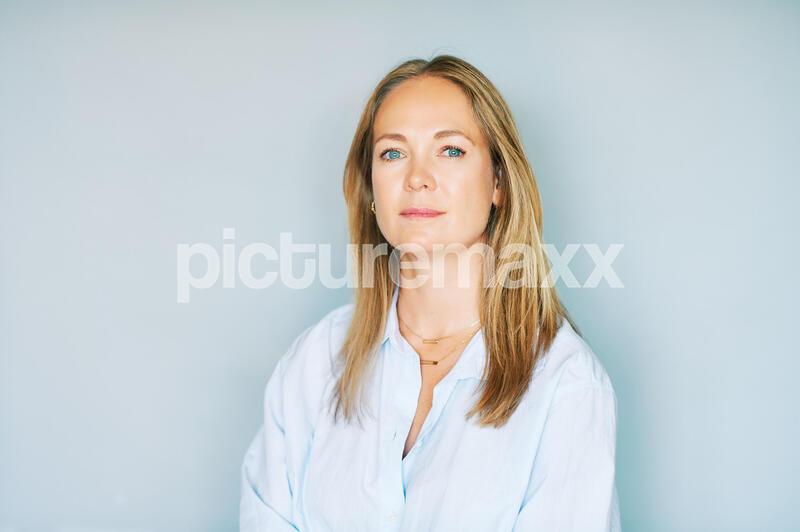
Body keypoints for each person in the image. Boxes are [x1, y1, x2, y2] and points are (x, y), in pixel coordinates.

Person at [240, 55, 621, 531]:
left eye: (451, 150)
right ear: (372, 188)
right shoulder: (314, 364)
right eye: (393, 153)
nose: (417, 177)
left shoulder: (566, 385)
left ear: (498, 181)